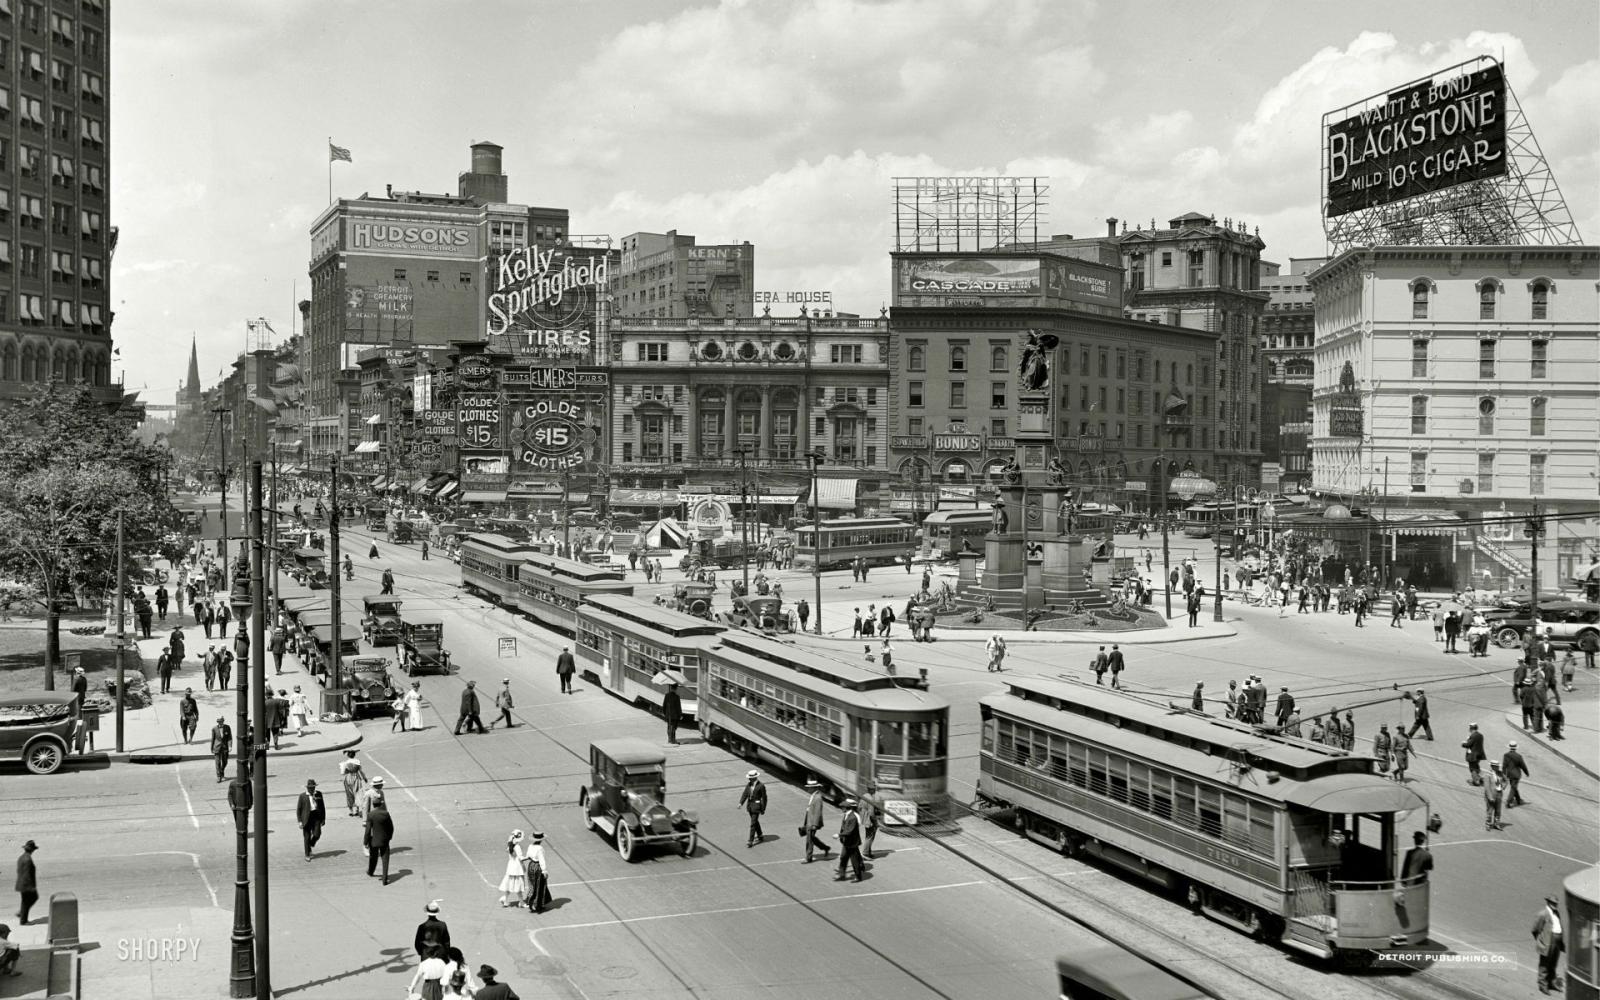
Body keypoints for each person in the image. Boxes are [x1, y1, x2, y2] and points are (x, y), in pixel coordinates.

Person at [1532, 895, 1565, 995]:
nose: (1555, 905)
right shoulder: (1543, 914)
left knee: (1553, 964)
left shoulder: (1556, 913)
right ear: (1548, 903)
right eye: (1553, 903)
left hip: (1557, 942)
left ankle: (1551, 983)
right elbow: (1535, 929)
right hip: (1548, 942)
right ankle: (1543, 985)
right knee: (1544, 965)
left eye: (1556, 903)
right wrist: (1541, 941)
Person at [800, 779, 831, 863]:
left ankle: (808, 857)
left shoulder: (817, 798)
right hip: (809, 821)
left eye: (809, 788)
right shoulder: (814, 796)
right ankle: (825, 848)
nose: (808, 789)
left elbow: (817, 812)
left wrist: (814, 824)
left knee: (809, 840)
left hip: (812, 822)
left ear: (814, 788)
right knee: (812, 839)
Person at [835, 798, 865, 883]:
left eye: (842, 807)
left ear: (846, 808)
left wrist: (839, 835)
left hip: (852, 842)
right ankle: (841, 874)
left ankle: (858, 876)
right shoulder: (846, 815)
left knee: (854, 860)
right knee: (843, 857)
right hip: (846, 841)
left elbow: (849, 831)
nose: (841, 808)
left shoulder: (853, 817)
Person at [364, 803, 395, 885]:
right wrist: (389, 837)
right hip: (384, 840)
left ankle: (371, 872)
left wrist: (365, 842)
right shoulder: (386, 814)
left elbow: (367, 831)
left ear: (373, 805)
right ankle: (384, 879)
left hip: (374, 841)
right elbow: (391, 827)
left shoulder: (370, 815)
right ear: (380, 805)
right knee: (385, 860)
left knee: (373, 858)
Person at [296, 779, 326, 861]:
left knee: (317, 834)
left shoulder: (319, 794)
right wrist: (299, 821)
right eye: (310, 788)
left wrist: (323, 819)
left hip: (316, 816)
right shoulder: (302, 796)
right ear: (307, 788)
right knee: (307, 836)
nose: (312, 789)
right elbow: (298, 809)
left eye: (313, 787)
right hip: (306, 818)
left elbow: (322, 807)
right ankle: (307, 854)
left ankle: (311, 844)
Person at [523, 832, 553, 914]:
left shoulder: (530, 846)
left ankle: (530, 901)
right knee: (540, 886)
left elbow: (528, 856)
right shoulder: (540, 848)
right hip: (538, 867)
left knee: (532, 884)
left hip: (531, 865)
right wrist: (544, 870)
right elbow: (541, 860)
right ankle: (537, 905)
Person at [738, 770, 767, 848]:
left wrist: (763, 808)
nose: (749, 779)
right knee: (755, 822)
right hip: (750, 806)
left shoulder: (761, 786)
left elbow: (764, 798)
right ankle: (760, 835)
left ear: (755, 778)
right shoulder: (749, 785)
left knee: (753, 824)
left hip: (757, 807)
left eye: (751, 778)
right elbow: (745, 794)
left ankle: (750, 841)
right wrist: (741, 803)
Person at [498, 831, 527, 907]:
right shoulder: (517, 846)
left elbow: (509, 851)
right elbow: (521, 858)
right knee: (518, 886)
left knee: (509, 884)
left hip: (511, 867)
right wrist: (529, 857)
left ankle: (506, 901)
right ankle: (521, 902)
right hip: (517, 868)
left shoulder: (510, 845)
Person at [14, 841, 38, 926]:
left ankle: (22, 914)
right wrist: (31, 886)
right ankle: (23, 920)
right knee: (31, 898)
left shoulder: (21, 857)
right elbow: (27, 874)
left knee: (25, 901)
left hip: (21, 883)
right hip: (26, 884)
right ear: (32, 850)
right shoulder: (28, 859)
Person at [339, 750, 367, 817]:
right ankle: (357, 810)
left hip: (348, 778)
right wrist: (364, 778)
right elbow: (360, 771)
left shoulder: (345, 763)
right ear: (354, 755)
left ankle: (351, 811)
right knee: (357, 793)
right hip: (356, 778)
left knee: (349, 794)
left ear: (348, 755)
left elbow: (343, 773)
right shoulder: (357, 761)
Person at [1502, 741, 1529, 807]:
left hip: (1509, 774)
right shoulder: (1519, 756)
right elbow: (1523, 766)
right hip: (1516, 774)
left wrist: (1504, 774)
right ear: (1516, 748)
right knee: (1513, 787)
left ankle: (1518, 799)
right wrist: (1526, 773)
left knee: (1513, 786)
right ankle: (1509, 801)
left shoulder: (1506, 755)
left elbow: (1504, 766)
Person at [858, 785, 881, 859]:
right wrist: (875, 822)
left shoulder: (864, 796)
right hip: (869, 820)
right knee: (870, 836)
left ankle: (868, 852)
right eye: (874, 789)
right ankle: (865, 853)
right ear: (871, 790)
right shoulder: (870, 798)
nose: (875, 791)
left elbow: (859, 807)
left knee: (868, 836)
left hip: (864, 819)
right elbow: (871, 813)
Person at [1484, 762, 1506, 830]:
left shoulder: (1500, 773)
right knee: (1490, 810)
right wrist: (1490, 797)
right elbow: (1487, 787)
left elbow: (1506, 780)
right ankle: (1488, 824)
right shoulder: (1488, 775)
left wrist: (1503, 786)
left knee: (1498, 810)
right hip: (1492, 794)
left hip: (1499, 793)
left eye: (1498, 766)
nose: (1498, 767)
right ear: (1492, 766)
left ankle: (1496, 824)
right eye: (1496, 766)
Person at [211, 716, 232, 783]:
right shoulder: (214, 728)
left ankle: (222, 770)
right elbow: (213, 739)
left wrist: (230, 746)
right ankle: (219, 776)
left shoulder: (227, 727)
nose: (219, 722)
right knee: (217, 762)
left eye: (221, 721)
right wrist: (211, 748)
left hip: (225, 747)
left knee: (225, 761)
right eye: (218, 721)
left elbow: (229, 737)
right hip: (217, 747)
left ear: (223, 721)